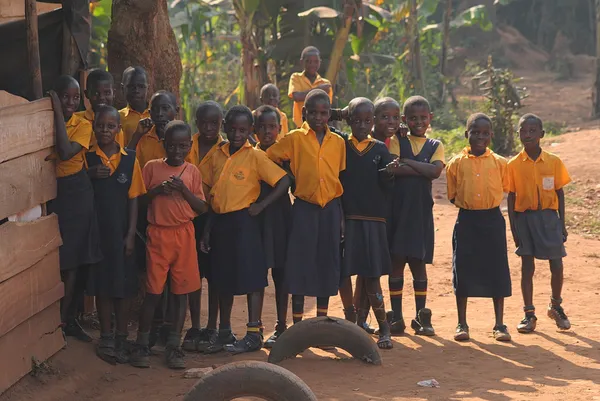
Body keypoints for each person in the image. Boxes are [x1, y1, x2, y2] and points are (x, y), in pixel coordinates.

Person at [200, 105, 290, 354]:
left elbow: (284, 180)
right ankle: (225, 331)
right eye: (232, 129)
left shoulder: (255, 156)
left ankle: (253, 333)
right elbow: (211, 193)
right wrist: (207, 228)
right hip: (220, 221)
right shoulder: (217, 155)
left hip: (245, 222)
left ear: (250, 131)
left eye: (242, 130)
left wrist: (261, 205)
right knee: (221, 278)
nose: (237, 134)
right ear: (225, 128)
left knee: (252, 277)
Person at [129, 121, 208, 370]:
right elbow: (140, 201)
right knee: (153, 292)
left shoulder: (193, 172)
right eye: (172, 145)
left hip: (184, 236)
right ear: (164, 144)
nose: (177, 150)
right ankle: (142, 343)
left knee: (180, 292)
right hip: (158, 235)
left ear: (189, 146)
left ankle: (174, 345)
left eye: (182, 146)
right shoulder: (152, 168)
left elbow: (202, 207)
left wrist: (183, 189)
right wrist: (157, 191)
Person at [267, 89, 345, 329]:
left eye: (324, 113)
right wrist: (290, 177)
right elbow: (270, 156)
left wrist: (341, 216)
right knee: (300, 265)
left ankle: (321, 324)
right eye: (313, 113)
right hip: (303, 210)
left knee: (326, 264)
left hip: (331, 209)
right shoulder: (294, 138)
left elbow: (338, 177)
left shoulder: (338, 142)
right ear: (304, 113)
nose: (319, 118)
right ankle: (298, 327)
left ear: (329, 115)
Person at [85, 105, 147, 363]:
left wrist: (131, 233)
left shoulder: (130, 158)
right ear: (94, 127)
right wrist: (89, 176)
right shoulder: (88, 159)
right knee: (103, 286)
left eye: (111, 126)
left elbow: (133, 199)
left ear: (119, 130)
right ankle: (106, 336)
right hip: (99, 233)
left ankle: (122, 336)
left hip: (123, 234)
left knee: (124, 286)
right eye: (100, 126)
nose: (105, 130)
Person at [446, 113, 512, 342]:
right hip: (467, 221)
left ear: (491, 136)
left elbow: (505, 188)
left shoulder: (500, 163)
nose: (479, 137)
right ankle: (462, 323)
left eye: (485, 133)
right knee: (462, 270)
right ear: (467, 134)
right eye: (475, 132)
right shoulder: (455, 163)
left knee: (496, 270)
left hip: (492, 220)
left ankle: (500, 324)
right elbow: (453, 195)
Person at [48, 77, 103, 342]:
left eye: (74, 98)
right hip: (54, 193)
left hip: (78, 192)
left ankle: (65, 319)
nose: (71, 103)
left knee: (74, 259)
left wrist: (58, 112)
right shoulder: (42, 120)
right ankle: (59, 318)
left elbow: (66, 152)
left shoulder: (82, 124)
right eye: (64, 97)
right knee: (57, 258)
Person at [386, 95, 445, 336]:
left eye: (423, 118)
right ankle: (397, 317)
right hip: (399, 212)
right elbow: (394, 169)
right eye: (412, 118)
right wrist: (420, 168)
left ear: (430, 118)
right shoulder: (397, 140)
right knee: (396, 263)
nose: (418, 122)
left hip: (421, 214)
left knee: (419, 265)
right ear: (404, 119)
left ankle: (421, 317)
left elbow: (434, 172)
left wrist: (408, 161)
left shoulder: (436, 144)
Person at [507, 113, 571, 334]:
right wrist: (514, 228)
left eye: (532, 131)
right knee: (527, 267)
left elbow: (560, 193)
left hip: (549, 218)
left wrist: (562, 224)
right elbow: (511, 196)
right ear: (518, 134)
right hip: (525, 219)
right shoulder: (513, 165)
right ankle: (529, 314)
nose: (527, 135)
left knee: (557, 264)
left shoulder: (553, 161)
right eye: (523, 131)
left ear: (542, 134)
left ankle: (556, 306)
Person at [340, 98, 395, 349]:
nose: (362, 125)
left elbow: (386, 185)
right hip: (349, 218)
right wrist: (340, 112)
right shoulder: (341, 144)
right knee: (346, 273)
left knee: (371, 275)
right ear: (349, 121)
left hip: (374, 219)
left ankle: (384, 328)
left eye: (367, 121)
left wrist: (389, 174)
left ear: (373, 122)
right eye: (356, 120)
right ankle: (353, 322)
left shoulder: (380, 149)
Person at [182, 101, 227, 353]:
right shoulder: (188, 145)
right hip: (188, 217)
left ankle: (212, 326)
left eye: (215, 123)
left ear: (222, 124)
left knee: (215, 275)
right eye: (204, 123)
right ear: (196, 123)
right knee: (193, 274)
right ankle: (196, 325)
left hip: (215, 217)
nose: (209, 128)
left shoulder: (226, 150)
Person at [253, 105, 293, 348]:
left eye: (271, 127)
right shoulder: (250, 153)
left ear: (279, 128)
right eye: (262, 127)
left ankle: (281, 326)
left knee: (281, 272)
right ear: (254, 129)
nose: (267, 132)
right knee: (258, 274)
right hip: (256, 218)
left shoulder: (285, 154)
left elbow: (292, 181)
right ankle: (254, 327)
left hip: (280, 216)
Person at [76, 69, 125, 147]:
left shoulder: (115, 126)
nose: (101, 97)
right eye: (96, 93)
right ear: (86, 94)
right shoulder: (76, 121)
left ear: (114, 93)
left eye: (107, 93)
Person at [288, 46, 333, 128]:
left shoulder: (325, 83)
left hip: (320, 126)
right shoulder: (296, 77)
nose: (312, 64)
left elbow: (327, 107)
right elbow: (297, 97)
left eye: (316, 61)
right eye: (308, 61)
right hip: (301, 126)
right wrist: (319, 89)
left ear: (320, 62)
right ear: (301, 62)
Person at [119, 66, 150, 144]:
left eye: (141, 87)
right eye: (131, 86)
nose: (136, 91)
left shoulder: (159, 114)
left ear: (147, 88)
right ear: (122, 88)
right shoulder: (118, 118)